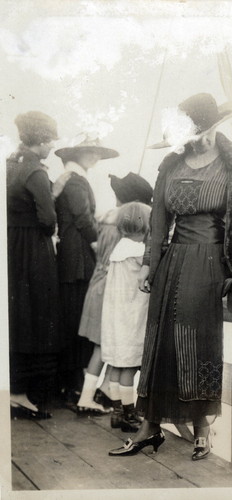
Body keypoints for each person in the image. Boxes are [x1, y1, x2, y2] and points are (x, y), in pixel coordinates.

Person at [109, 93, 232, 458]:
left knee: (197, 341)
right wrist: (151, 264)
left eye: (203, 133)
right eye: (191, 135)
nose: (197, 141)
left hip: (211, 263)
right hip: (173, 262)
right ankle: (150, 427)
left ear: (217, 128)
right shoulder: (171, 165)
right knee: (159, 342)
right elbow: (158, 221)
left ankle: (202, 427)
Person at [76, 173, 153, 415]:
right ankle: (90, 398)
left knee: (108, 346)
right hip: (113, 290)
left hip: (101, 284)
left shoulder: (109, 220)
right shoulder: (126, 229)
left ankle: (107, 392)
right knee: (107, 347)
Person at [53, 135, 119, 408]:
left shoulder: (69, 179)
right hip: (78, 260)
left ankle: (74, 384)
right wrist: (98, 245)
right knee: (76, 323)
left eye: (96, 152)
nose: (95, 156)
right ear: (76, 154)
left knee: (73, 320)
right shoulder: (76, 181)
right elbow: (83, 219)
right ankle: (74, 387)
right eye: (89, 152)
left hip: (71, 258)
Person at [7, 111, 61, 419]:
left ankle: (14, 387)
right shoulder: (36, 172)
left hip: (11, 247)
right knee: (38, 313)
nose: (53, 145)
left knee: (17, 315)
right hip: (33, 250)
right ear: (41, 140)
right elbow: (48, 219)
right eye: (51, 139)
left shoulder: (10, 166)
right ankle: (22, 393)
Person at [101, 202, 151, 434]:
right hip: (130, 318)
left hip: (115, 317)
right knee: (129, 367)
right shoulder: (139, 252)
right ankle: (129, 414)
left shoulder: (119, 249)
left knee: (117, 366)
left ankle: (117, 411)